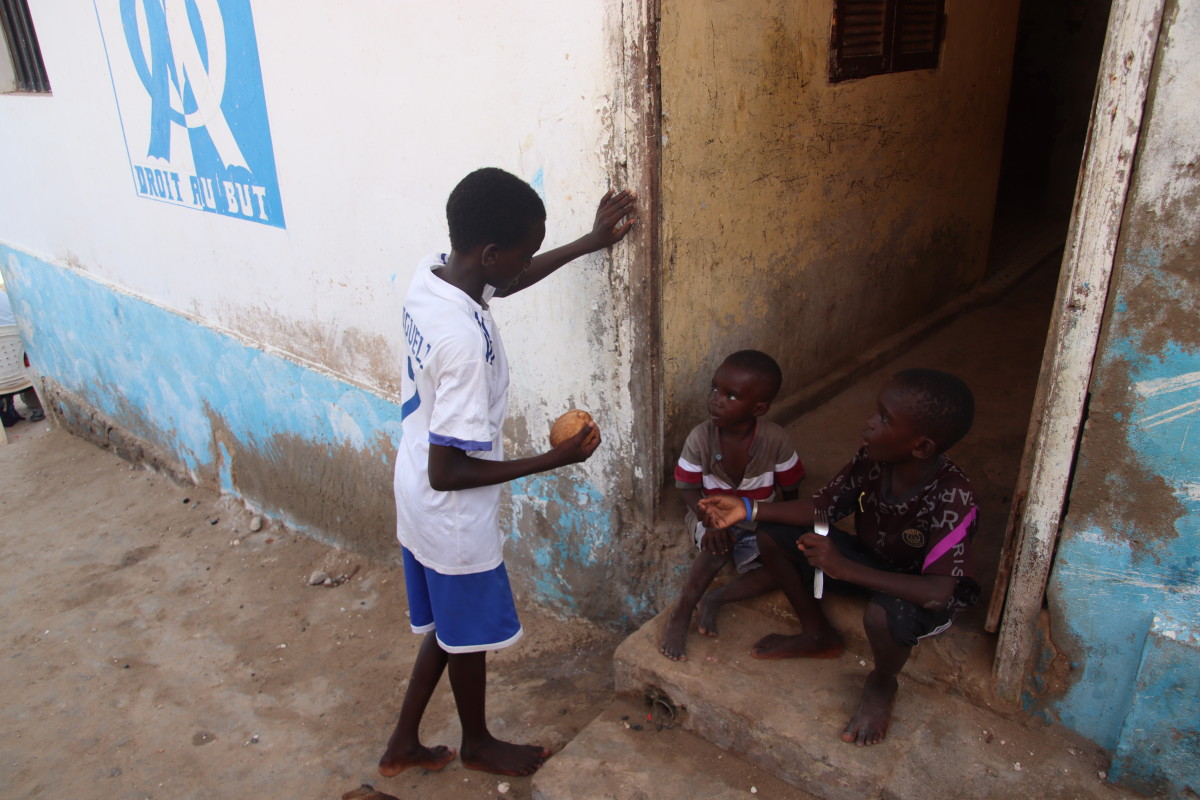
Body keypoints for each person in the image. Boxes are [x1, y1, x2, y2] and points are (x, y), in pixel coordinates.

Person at [379, 168, 637, 779]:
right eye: (523, 252)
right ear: (490, 253)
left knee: (449, 627)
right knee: (465, 635)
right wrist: (554, 460)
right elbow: (449, 472)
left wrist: (589, 242)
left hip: (413, 487)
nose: (523, 265)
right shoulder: (462, 347)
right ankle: (478, 743)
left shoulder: (435, 274)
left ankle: (402, 743)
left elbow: (507, 281)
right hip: (450, 514)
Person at [699, 368, 979, 747]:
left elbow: (937, 592)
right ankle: (817, 634)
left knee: (882, 615)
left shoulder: (954, 495)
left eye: (884, 419)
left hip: (913, 591)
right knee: (772, 535)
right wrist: (747, 509)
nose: (869, 422)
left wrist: (845, 568)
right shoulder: (872, 458)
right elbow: (823, 507)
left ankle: (882, 683)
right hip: (868, 559)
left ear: (922, 447)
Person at [659, 350, 805, 661]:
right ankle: (682, 612)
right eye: (715, 388)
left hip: (759, 518)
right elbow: (687, 488)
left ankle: (716, 599)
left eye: (731, 395)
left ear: (759, 408)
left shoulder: (775, 439)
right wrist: (708, 518)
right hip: (707, 515)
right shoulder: (700, 437)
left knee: (786, 565)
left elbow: (791, 488)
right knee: (717, 547)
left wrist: (787, 532)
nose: (716, 400)